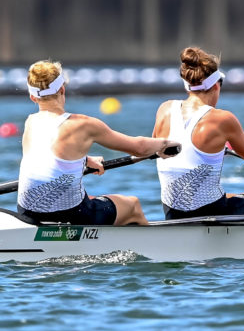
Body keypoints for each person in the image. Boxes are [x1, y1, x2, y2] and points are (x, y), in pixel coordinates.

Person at [17, 60, 179, 226]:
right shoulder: (83, 124)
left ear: (32, 97)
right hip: (71, 215)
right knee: (133, 205)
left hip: (27, 213)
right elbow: (139, 148)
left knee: (90, 198)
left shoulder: (31, 122)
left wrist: (85, 160)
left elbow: (47, 160)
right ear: (62, 89)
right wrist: (164, 143)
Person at [152, 46, 244, 222]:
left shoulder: (165, 109)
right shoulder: (222, 119)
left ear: (188, 88)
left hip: (173, 215)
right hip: (211, 214)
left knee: (227, 195)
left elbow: (156, 149)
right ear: (216, 85)